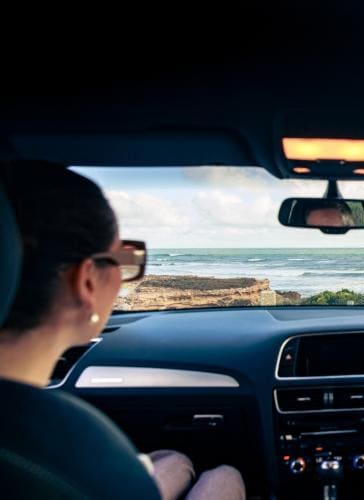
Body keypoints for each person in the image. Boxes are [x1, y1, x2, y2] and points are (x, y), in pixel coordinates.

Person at [0, 161, 246, 500]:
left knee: (172, 461)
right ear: (86, 281)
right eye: (124, 259)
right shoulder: (77, 445)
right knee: (224, 476)